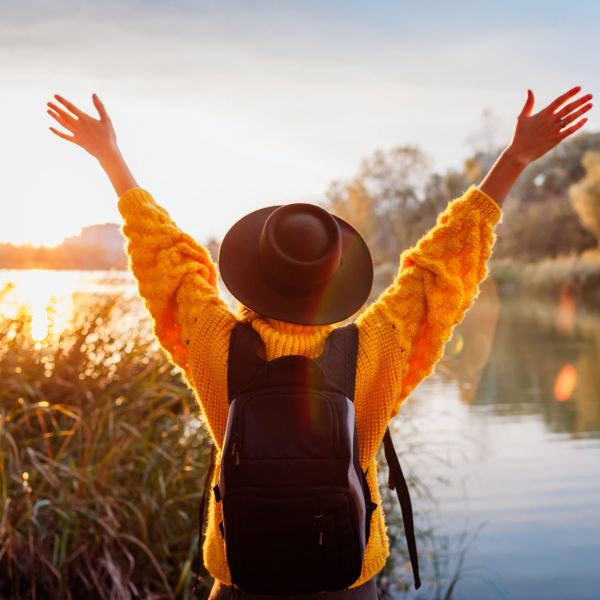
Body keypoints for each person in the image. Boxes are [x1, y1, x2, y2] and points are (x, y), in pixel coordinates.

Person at [47, 86, 592, 599]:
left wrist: (112, 159)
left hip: (242, 576)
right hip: (349, 580)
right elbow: (438, 268)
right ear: (333, 283)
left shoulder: (214, 341)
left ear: (252, 271)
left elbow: (162, 253)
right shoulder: (375, 346)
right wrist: (514, 160)